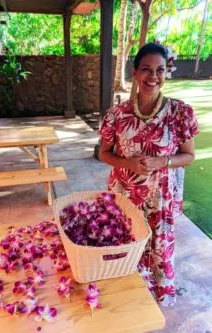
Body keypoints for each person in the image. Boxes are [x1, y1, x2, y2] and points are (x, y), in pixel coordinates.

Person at [99, 42, 199, 307]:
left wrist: (162, 161)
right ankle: (124, 293)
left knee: (158, 246)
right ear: (135, 72)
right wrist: (129, 164)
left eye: (160, 70)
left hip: (160, 196)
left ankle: (152, 298)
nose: (153, 76)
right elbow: (104, 154)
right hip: (125, 192)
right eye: (146, 69)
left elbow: (189, 156)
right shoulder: (116, 115)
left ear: (166, 73)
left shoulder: (180, 113)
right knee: (124, 241)